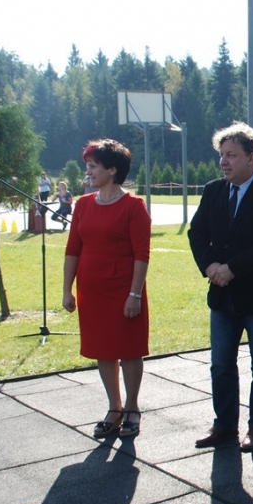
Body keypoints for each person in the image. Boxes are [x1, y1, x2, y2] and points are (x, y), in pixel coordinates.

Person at [188, 122, 253, 450]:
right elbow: (197, 233)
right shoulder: (213, 191)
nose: (224, 161)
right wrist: (210, 267)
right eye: (222, 155)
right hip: (222, 296)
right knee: (220, 364)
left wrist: (231, 269)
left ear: (252, 157)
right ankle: (224, 425)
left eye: (231, 155)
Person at [62, 139, 152, 439]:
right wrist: (67, 289)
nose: (88, 172)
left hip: (125, 290)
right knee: (103, 349)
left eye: (93, 166)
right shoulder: (83, 205)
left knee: (129, 349)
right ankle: (114, 408)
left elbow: (142, 254)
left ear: (112, 170)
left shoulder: (134, 207)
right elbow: (73, 249)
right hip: (92, 290)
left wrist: (134, 294)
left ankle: (132, 407)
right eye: (87, 166)